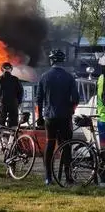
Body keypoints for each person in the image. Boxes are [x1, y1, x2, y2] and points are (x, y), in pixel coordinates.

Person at [36, 49, 79, 186]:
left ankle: (48, 177)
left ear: (51, 61)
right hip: (65, 117)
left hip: (50, 117)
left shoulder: (44, 76)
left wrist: (39, 117)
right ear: (63, 61)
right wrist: (71, 110)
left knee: (49, 145)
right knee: (66, 146)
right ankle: (68, 177)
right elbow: (76, 99)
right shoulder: (69, 77)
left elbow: (39, 99)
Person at [0, 62, 24, 128]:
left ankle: (3, 137)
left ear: (2, 69)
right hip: (13, 104)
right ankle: (12, 137)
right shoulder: (15, 79)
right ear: (11, 69)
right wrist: (18, 102)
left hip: (2, 104)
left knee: (1, 124)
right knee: (13, 124)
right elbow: (21, 92)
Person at [97, 67, 105, 187]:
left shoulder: (101, 78)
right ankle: (103, 178)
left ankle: (103, 178)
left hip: (101, 119)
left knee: (103, 150)